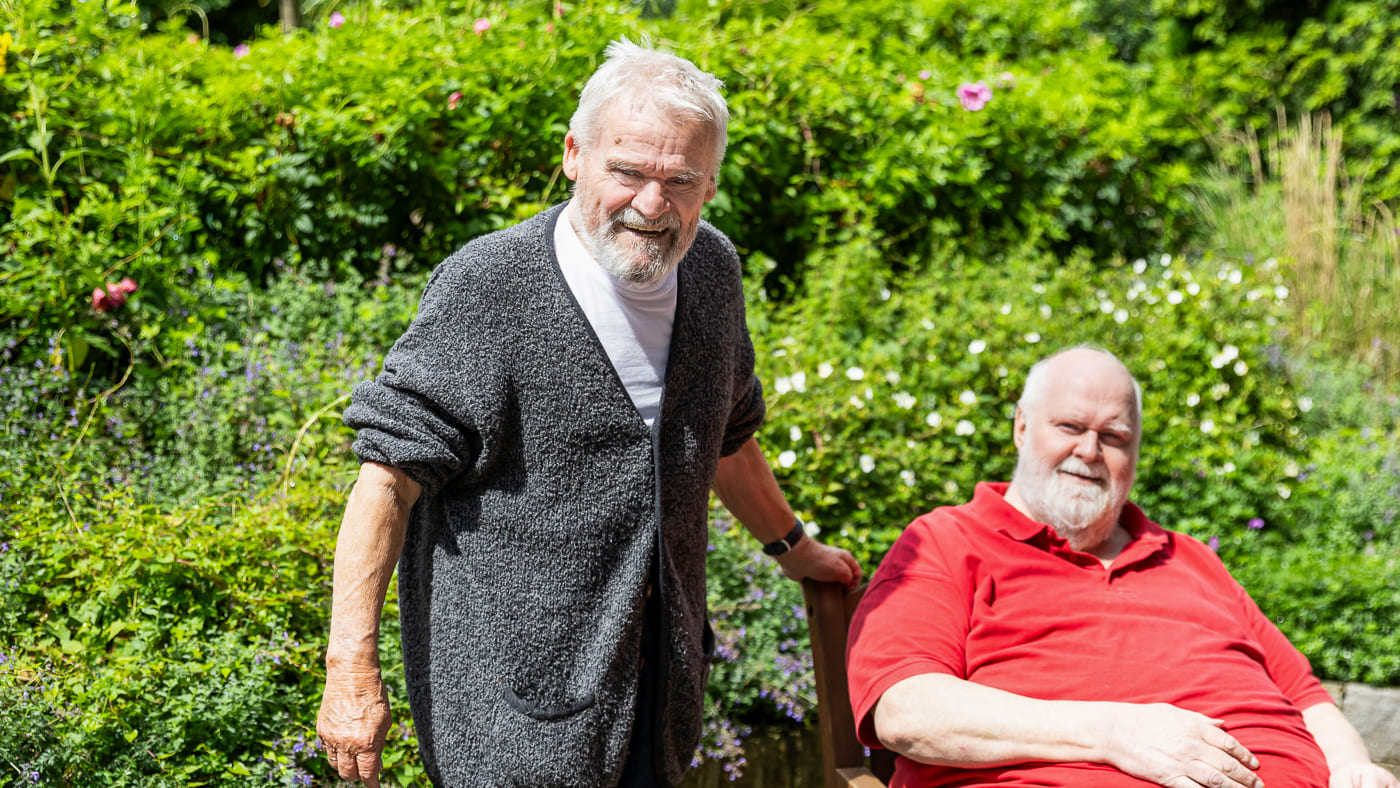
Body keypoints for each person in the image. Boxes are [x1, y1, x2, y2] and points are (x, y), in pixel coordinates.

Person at [315, 38, 861, 788]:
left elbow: (723, 437)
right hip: (507, 711)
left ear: (710, 184)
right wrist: (350, 670)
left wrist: (793, 548)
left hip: (657, 689)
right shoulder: (490, 286)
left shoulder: (711, 271)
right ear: (575, 154)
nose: (651, 205)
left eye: (680, 180)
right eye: (628, 171)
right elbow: (389, 481)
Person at [846, 346, 1398, 788]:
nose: (1089, 450)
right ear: (1020, 427)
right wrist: (1112, 733)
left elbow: (1306, 697)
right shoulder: (947, 539)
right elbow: (905, 710)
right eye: (1069, 426)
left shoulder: (1189, 557)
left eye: (1114, 437)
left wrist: (1352, 766)